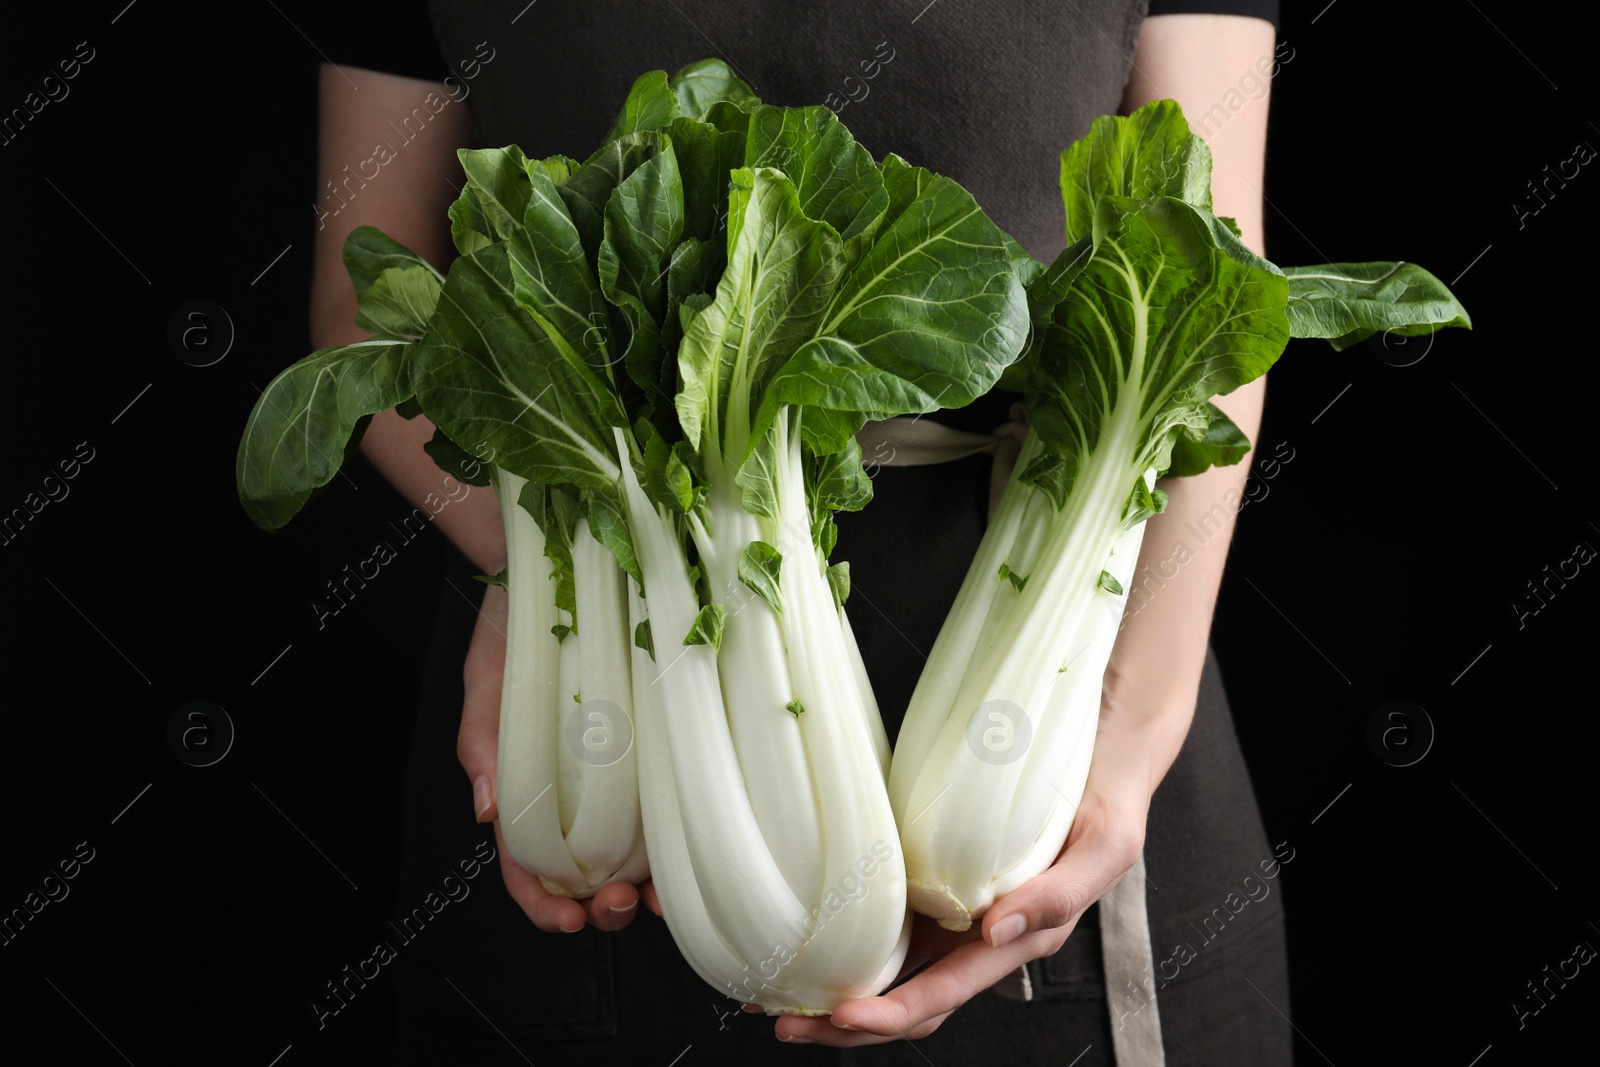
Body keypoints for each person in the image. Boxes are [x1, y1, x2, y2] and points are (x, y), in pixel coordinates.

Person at [307, 2, 1291, 1061]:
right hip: (610, 695)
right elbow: (369, 309)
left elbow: (1213, 288)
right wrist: (545, 566)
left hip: (1073, 720)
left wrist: (1132, 731)